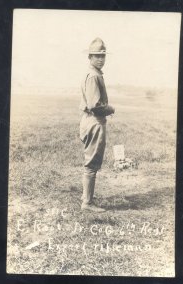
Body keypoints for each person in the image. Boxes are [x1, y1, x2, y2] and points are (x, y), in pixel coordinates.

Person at [79, 38, 115, 212]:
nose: (101, 59)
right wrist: (110, 108)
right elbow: (94, 105)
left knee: (90, 161)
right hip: (94, 121)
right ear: (90, 57)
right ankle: (87, 203)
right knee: (92, 163)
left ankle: (86, 198)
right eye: (97, 56)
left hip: (89, 120)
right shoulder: (93, 76)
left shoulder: (92, 73)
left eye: (103, 56)